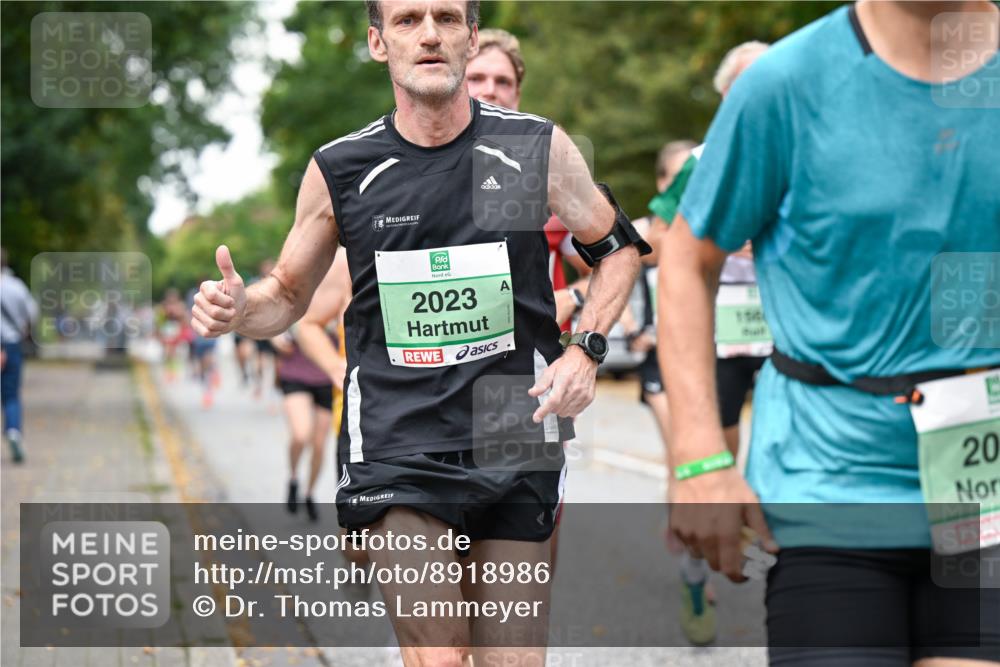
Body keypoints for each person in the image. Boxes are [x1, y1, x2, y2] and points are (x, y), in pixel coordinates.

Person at [191, 3, 646, 665]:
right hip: (399, 432)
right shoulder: (342, 167)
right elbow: (287, 293)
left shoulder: (531, 147)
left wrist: (586, 350)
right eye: (407, 20)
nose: (429, 33)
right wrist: (238, 309)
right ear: (378, 43)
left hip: (514, 426)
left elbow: (620, 249)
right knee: (438, 657)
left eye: (446, 18)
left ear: (470, 36)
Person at [660, 2, 1000, 664]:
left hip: (981, 485)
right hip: (828, 482)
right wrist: (699, 457)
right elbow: (687, 254)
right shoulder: (786, 83)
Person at [650, 43, 770, 646]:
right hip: (719, 335)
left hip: (780, 336)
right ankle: (696, 572)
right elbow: (663, 238)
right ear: (726, 97)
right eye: (745, 87)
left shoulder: (805, 142)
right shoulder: (705, 159)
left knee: (774, 459)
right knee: (716, 456)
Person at [271, 322, 336, 523]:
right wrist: (276, 338)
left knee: (319, 446)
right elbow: (274, 317)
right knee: (301, 434)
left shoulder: (341, 291)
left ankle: (309, 493)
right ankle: (293, 478)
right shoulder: (300, 290)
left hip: (328, 376)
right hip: (295, 373)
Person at [1, 248, 38, 464]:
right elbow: (32, 313)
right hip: (11, 343)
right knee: (11, 394)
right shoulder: (16, 286)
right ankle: (13, 430)